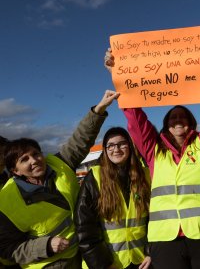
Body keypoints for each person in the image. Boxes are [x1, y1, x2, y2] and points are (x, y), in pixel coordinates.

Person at [105, 41, 200, 268]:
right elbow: (135, 120)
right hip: (165, 240)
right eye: (173, 117)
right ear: (166, 125)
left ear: (191, 124)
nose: (178, 120)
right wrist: (119, 75)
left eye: (183, 117)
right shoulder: (153, 150)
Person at [0, 90, 119, 268]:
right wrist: (44, 246)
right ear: (14, 170)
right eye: (24, 159)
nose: (34, 161)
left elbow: (81, 139)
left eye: (35, 154)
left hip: (82, 256)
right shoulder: (6, 200)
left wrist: (99, 110)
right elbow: (6, 249)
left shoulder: (59, 163)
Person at [75, 127, 151, 269]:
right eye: (110, 145)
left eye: (122, 143)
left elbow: (156, 218)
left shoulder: (145, 175)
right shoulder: (95, 177)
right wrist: (102, 264)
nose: (116, 149)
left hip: (141, 261)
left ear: (130, 146)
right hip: (109, 263)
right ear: (105, 150)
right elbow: (85, 227)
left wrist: (151, 252)